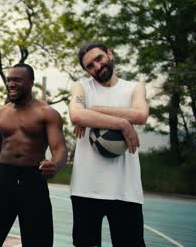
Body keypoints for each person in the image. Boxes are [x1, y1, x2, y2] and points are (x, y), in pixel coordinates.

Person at [0, 63, 67, 246]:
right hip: (3, 179)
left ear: (31, 83)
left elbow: (60, 149)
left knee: (38, 242)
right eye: (9, 80)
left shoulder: (47, 113)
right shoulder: (0, 114)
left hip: (33, 180)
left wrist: (55, 165)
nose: (11, 84)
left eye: (17, 80)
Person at [68, 42, 149, 246]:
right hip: (86, 188)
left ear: (109, 54)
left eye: (99, 59)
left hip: (125, 190)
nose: (96, 66)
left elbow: (140, 115)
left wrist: (94, 110)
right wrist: (122, 123)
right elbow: (76, 114)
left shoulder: (134, 87)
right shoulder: (81, 87)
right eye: (89, 66)